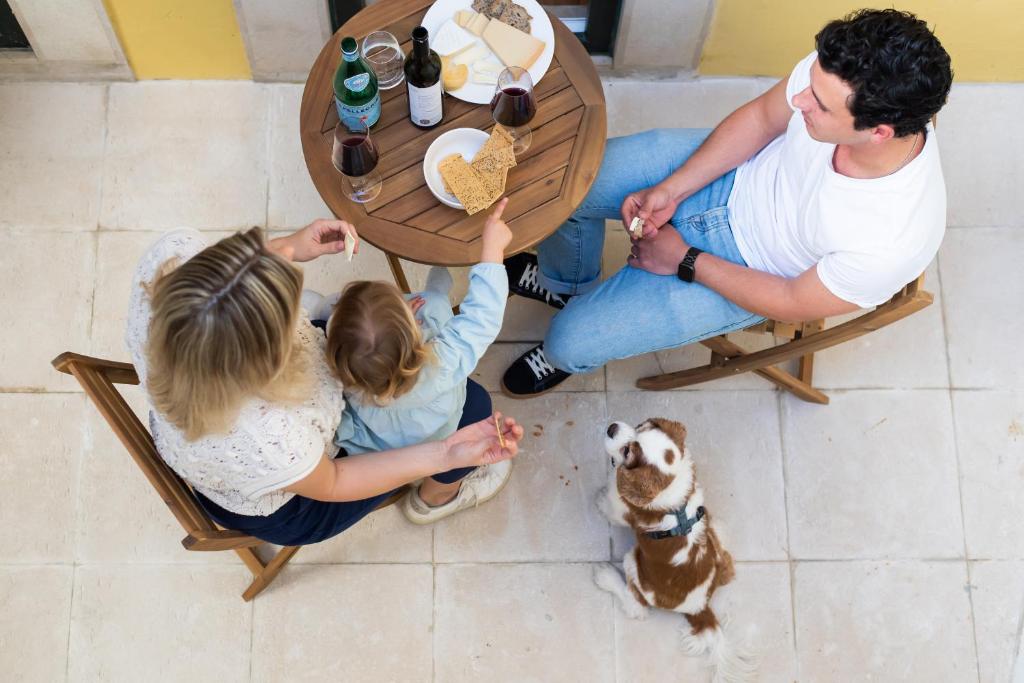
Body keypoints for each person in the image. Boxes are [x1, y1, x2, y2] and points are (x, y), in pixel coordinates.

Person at [499, 8, 953, 396]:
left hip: (754, 268)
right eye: (809, 84)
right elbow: (759, 120)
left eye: (817, 104)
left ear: (879, 133)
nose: (798, 100)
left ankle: (572, 321)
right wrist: (672, 188)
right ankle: (567, 285)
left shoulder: (893, 238)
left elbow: (792, 300)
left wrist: (685, 258)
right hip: (738, 172)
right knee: (561, 185)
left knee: (567, 342)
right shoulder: (838, 74)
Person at [125, 221, 522, 547]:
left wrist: (290, 248)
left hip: (211, 446)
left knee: (368, 356)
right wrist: (445, 454)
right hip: (296, 502)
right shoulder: (270, 436)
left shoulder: (172, 260)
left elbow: (234, 282)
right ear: (270, 361)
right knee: (470, 404)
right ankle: (436, 498)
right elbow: (333, 481)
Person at [322, 199, 513, 524]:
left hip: (380, 440)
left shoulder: (342, 356)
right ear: (415, 339)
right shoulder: (439, 364)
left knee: (432, 305)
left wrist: (397, 326)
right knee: (476, 401)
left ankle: (438, 286)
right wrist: (492, 252)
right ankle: (433, 499)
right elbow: (482, 320)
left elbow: (348, 325)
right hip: (434, 433)